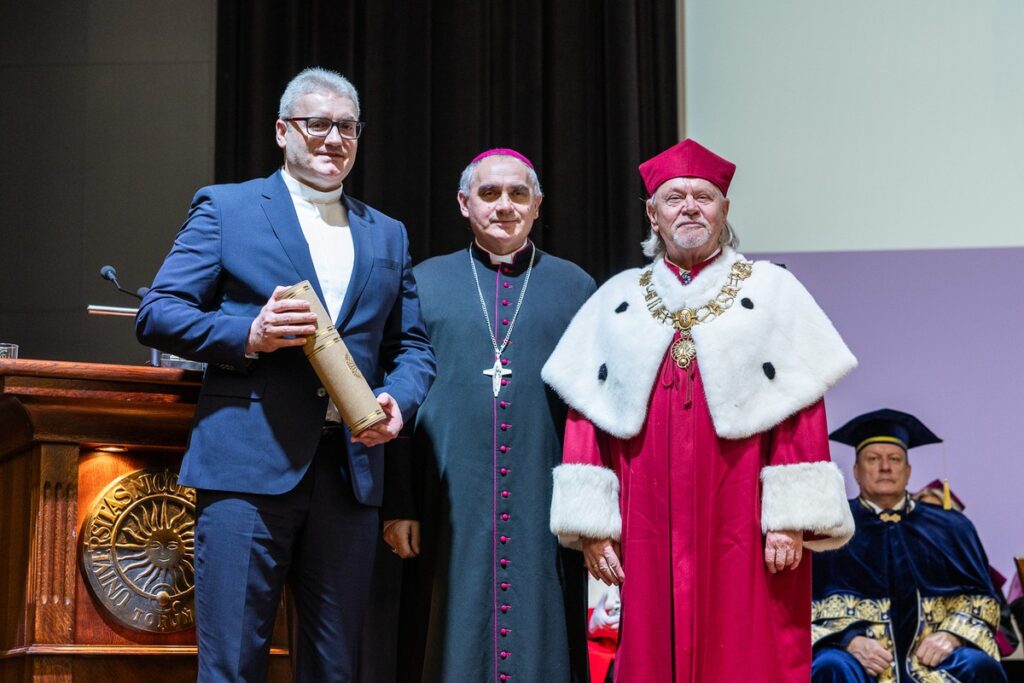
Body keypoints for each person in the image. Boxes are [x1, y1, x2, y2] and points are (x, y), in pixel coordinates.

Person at [135, 67, 435, 682]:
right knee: (233, 664)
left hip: (349, 473)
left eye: (347, 127)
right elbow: (159, 312)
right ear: (282, 131)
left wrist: (398, 400)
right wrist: (248, 334)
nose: (333, 139)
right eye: (317, 123)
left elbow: (413, 348)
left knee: (336, 666)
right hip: (247, 468)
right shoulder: (228, 207)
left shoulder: (388, 233)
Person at [542, 138, 857, 681]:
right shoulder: (619, 301)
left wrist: (790, 519)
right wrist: (591, 525)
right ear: (653, 214)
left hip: (744, 514)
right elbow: (585, 417)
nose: (690, 207)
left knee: (749, 647)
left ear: (725, 210)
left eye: (704, 197)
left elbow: (801, 411)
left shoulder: (772, 291)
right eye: (675, 197)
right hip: (645, 520)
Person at [379, 148, 595, 682]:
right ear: (463, 202)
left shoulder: (576, 288)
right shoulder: (423, 283)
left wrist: (593, 518)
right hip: (446, 495)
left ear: (538, 204)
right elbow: (397, 401)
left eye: (518, 193)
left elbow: (594, 412)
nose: (504, 205)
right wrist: (400, 503)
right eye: (489, 193)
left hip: (542, 499)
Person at [812, 409, 1007, 682]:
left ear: (908, 470)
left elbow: (983, 599)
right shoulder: (830, 528)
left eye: (894, 459)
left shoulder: (952, 527)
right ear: (856, 471)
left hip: (934, 659)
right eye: (873, 459)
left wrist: (951, 636)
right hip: (859, 659)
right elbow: (802, 604)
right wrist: (849, 641)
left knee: (979, 666)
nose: (885, 467)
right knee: (831, 666)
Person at [913, 480, 1022, 657]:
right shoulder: (897, 562)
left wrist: (961, 636)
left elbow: (1005, 634)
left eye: (938, 515)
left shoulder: (973, 567)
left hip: (962, 655)